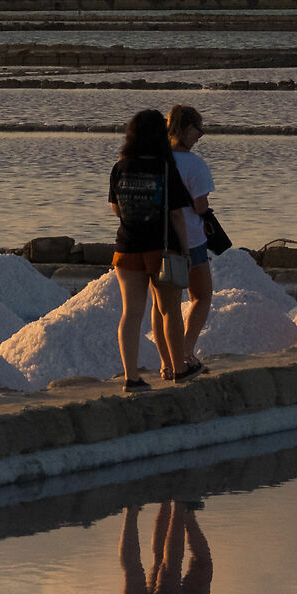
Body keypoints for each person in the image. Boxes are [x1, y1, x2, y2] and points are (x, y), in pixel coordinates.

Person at [108, 109, 192, 388]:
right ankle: (178, 369)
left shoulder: (121, 167)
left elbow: (115, 208)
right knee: (169, 310)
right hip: (161, 248)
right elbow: (178, 214)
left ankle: (131, 377)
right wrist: (187, 250)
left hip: (127, 247)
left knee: (131, 313)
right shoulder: (166, 168)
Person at [167, 105, 218, 375]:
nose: (199, 136)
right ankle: (185, 353)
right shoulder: (195, 164)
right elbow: (200, 205)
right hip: (192, 238)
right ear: (186, 129)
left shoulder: (157, 160)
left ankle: (168, 363)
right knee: (201, 296)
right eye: (198, 130)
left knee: (167, 304)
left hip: (159, 238)